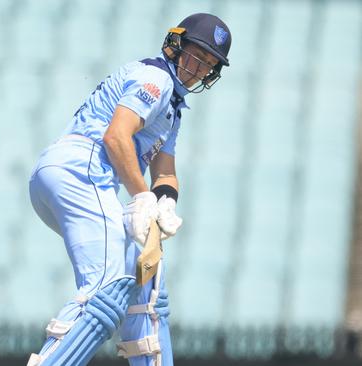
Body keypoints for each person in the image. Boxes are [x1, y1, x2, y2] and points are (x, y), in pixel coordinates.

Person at [26, 13, 231, 366]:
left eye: (209, 64)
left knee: (145, 283)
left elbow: (165, 171)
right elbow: (116, 137)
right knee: (108, 286)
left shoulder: (173, 109)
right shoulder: (156, 80)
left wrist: (163, 205)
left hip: (74, 175)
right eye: (197, 55)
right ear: (177, 45)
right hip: (83, 169)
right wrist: (141, 196)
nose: (199, 69)